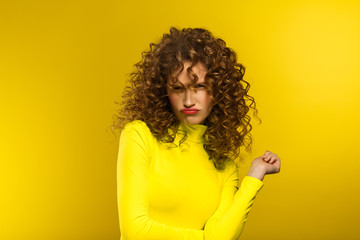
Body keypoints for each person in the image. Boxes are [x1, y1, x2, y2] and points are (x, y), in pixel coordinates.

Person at [113, 26, 281, 240]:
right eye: (177, 88)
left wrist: (255, 176)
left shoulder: (225, 167)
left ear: (219, 90)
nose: (189, 101)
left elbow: (223, 236)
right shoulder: (139, 135)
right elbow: (133, 231)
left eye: (200, 86)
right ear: (163, 91)